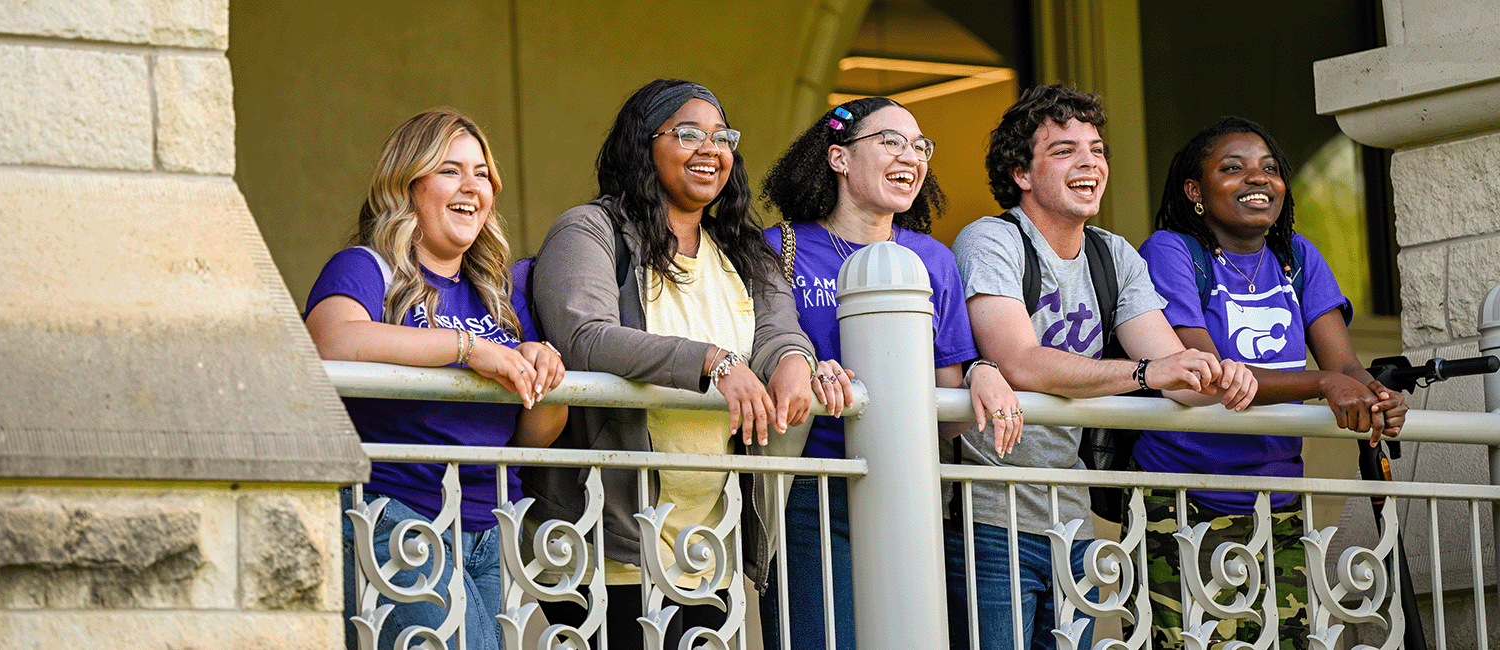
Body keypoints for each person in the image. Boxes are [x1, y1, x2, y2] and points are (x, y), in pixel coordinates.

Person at [950, 85, 1259, 650]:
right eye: (1065, 151)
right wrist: (1148, 375)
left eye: (1096, 149)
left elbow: (1176, 374)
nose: (1090, 162)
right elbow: (1019, 363)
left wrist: (1219, 379)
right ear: (1021, 172)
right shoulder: (990, 239)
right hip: (988, 514)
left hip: (1074, 519)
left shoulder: (1113, 254)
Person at [523, 79, 819, 650]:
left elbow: (781, 330)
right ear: (643, 144)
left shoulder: (743, 250)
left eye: (722, 137)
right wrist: (712, 361)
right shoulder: (590, 230)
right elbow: (586, 338)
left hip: (709, 539)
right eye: (688, 134)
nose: (711, 149)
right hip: (605, 539)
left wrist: (793, 360)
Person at [757, 96, 1024, 650]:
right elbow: (757, 353)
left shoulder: (933, 258)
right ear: (838, 157)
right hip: (808, 486)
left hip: (908, 485)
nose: (912, 155)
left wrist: (980, 372)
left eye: (920, 145)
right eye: (891, 141)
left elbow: (945, 409)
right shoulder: (778, 248)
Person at [1135, 115, 1407, 650]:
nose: (1258, 179)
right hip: (1184, 498)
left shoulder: (1297, 256)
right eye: (1232, 169)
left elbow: (1345, 365)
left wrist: (1374, 397)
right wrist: (1325, 383)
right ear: (1195, 189)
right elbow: (1206, 371)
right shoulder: (1171, 250)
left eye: (1270, 168)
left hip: (1278, 499)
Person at [304, 108, 569, 650]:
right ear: (408, 183)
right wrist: (468, 350)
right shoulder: (364, 267)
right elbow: (331, 341)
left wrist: (545, 373)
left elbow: (531, 438)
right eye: (450, 170)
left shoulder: (502, 293)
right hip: (397, 514)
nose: (471, 186)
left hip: (490, 524)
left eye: (481, 172)